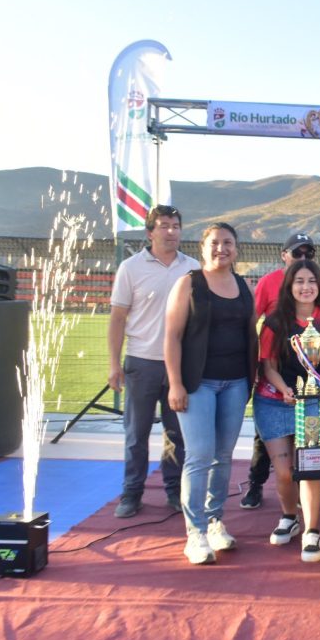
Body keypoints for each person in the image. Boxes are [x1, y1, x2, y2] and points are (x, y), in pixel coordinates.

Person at [164, 223, 257, 565]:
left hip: (235, 383)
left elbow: (251, 333)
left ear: (236, 248)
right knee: (199, 455)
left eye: (228, 242)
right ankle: (196, 533)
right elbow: (172, 336)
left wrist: (250, 380)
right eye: (215, 243)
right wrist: (175, 383)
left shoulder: (244, 286)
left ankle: (216, 520)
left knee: (223, 456)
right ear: (203, 248)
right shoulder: (189, 283)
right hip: (197, 384)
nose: (222, 248)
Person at [108, 204, 200, 518]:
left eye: (176, 225)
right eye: (164, 226)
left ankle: (174, 491)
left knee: (177, 433)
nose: (171, 231)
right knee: (137, 434)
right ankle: (131, 493)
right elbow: (117, 318)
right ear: (150, 232)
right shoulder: (130, 268)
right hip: (142, 362)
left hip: (180, 366)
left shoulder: (193, 268)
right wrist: (114, 363)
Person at [253, 259, 320, 562]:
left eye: (312, 281)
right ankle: (290, 517)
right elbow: (268, 366)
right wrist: (284, 390)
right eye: (299, 281)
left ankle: (312, 531)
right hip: (273, 401)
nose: (306, 287)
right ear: (289, 286)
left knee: (310, 469)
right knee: (284, 471)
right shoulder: (274, 323)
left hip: (311, 402)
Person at [240, 232, 320, 511]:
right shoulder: (269, 283)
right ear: (284, 255)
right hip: (275, 381)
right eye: (296, 253)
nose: (302, 258)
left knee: (304, 453)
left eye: (308, 254)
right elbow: (253, 321)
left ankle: (304, 503)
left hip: (309, 389)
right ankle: (256, 484)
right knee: (265, 440)